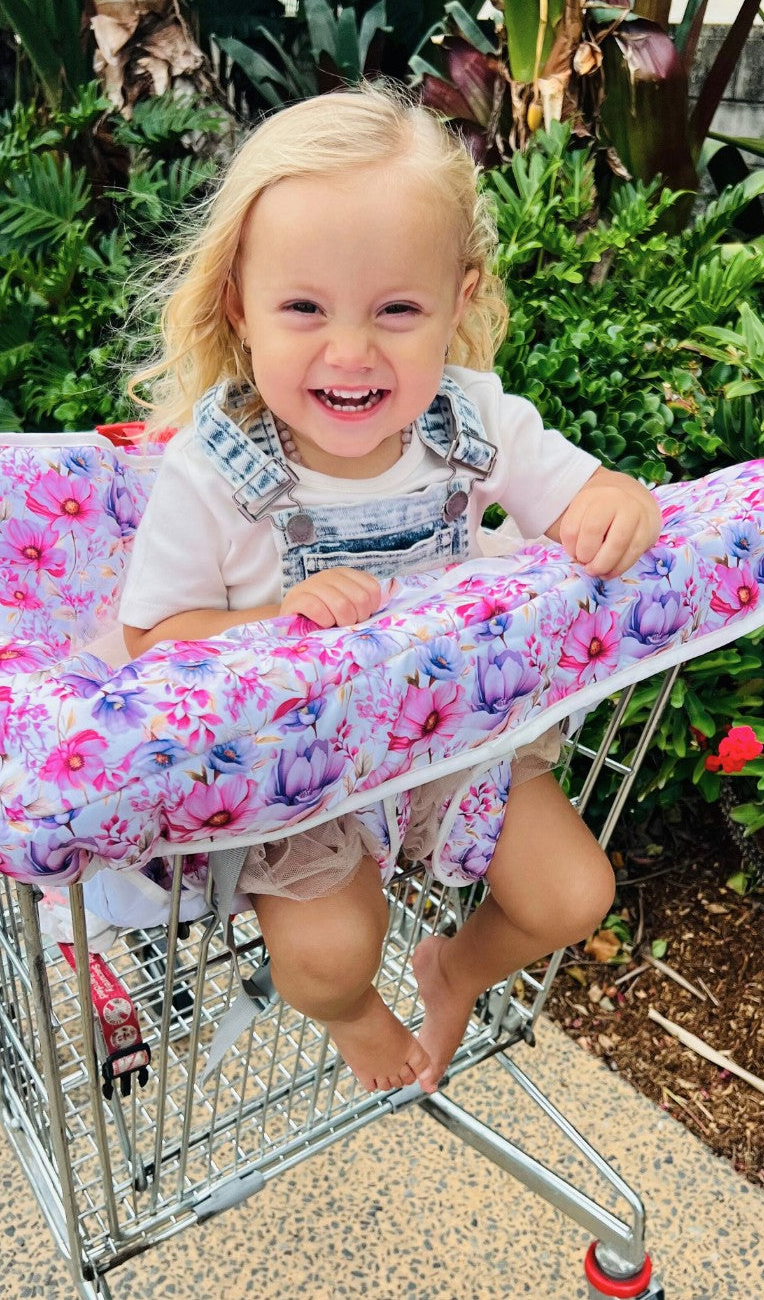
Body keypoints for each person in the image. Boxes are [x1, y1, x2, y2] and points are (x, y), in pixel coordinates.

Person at [119, 86, 661, 1096]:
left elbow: (588, 494)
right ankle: (353, 1016)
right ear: (239, 305)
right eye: (304, 308)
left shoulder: (475, 422)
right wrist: (273, 621)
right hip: (298, 772)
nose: (351, 352)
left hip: (451, 733)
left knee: (571, 895)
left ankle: (455, 968)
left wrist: (616, 502)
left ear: (458, 301)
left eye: (397, 311)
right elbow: (154, 639)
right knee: (328, 956)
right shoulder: (212, 470)